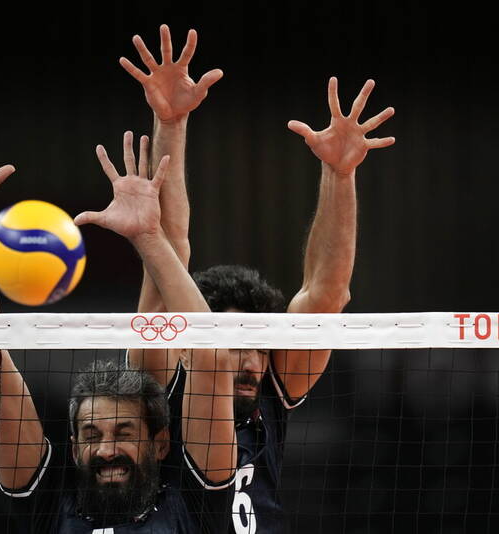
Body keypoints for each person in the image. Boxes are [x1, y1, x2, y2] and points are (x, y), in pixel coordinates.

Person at [0, 123, 237, 533]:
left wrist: (149, 237)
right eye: (91, 435)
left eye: (124, 431)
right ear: (73, 449)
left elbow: (211, 357)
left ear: (160, 444)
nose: (106, 450)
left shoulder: (193, 504)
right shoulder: (48, 506)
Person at [121, 25, 395, 532]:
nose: (247, 360)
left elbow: (326, 294)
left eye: (256, 347)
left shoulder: (269, 389)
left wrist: (341, 175)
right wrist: (171, 123)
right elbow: (169, 247)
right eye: (232, 343)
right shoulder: (162, 377)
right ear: (187, 347)